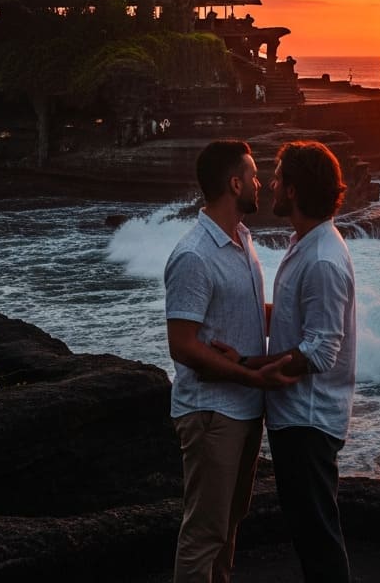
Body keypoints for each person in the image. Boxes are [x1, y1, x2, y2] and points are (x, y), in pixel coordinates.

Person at [164, 139, 293, 583]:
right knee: (205, 533)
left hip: (241, 410)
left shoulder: (241, 238)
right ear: (234, 183)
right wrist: (250, 376)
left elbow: (247, 314)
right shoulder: (194, 255)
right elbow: (182, 345)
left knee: (230, 526)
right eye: (254, 175)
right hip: (210, 413)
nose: (260, 183)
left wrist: (316, 319)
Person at [264, 140, 356, 583]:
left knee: (317, 539)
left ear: (295, 191)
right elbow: (294, 320)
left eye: (279, 178)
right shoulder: (307, 244)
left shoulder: (321, 258)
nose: (271, 185)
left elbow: (321, 350)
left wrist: (252, 372)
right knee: (310, 533)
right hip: (299, 418)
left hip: (309, 420)